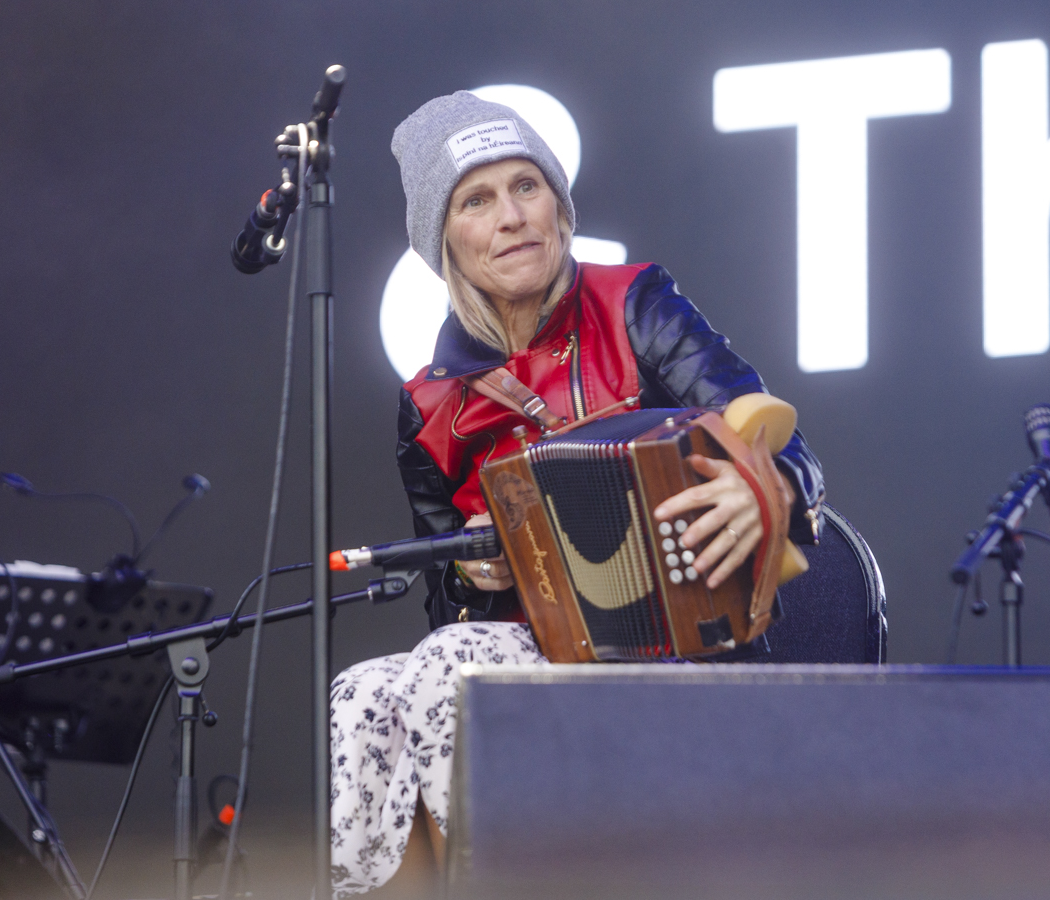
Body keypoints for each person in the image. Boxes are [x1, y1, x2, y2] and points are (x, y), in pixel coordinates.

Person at [330, 91, 824, 897]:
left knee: (453, 662)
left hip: (684, 646)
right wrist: (471, 576)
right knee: (361, 693)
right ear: (444, 241)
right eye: (477, 200)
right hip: (537, 654)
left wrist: (760, 485)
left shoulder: (635, 304)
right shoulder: (427, 406)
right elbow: (443, 609)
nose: (512, 216)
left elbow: (788, 446)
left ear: (560, 207)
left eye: (527, 186)